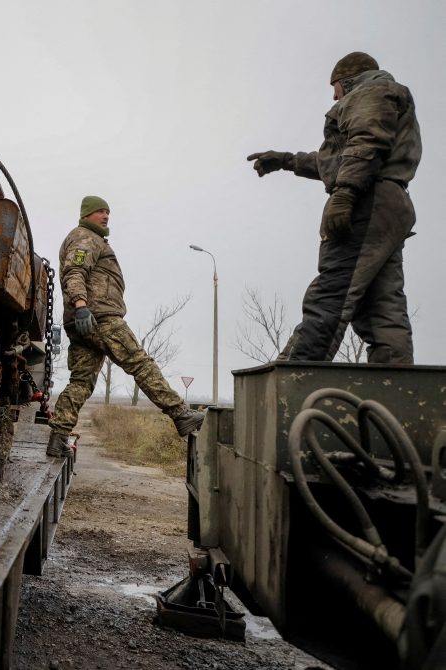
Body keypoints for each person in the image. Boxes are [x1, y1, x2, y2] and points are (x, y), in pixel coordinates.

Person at [247, 51, 421, 364]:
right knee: (383, 306)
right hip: (389, 205)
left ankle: (298, 376)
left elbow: (364, 144)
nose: (333, 94)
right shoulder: (384, 96)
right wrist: (286, 160)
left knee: (332, 292)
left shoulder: (370, 92)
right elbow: (337, 161)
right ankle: (394, 393)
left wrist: (345, 194)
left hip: (367, 201)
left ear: (347, 80)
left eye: (335, 86)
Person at [46, 195, 205, 457]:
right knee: (140, 363)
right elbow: (74, 272)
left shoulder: (88, 238)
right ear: (86, 215)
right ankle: (180, 414)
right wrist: (82, 305)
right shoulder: (86, 237)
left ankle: (58, 437)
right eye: (100, 211)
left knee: (81, 381)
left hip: (84, 320)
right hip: (99, 317)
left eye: (108, 212)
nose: (106, 216)